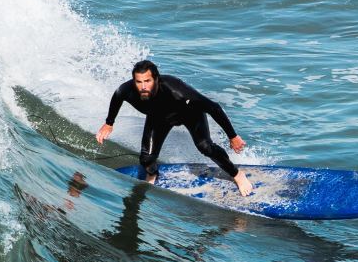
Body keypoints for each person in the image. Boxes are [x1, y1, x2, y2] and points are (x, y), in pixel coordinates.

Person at [96, 60, 253, 196]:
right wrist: (109, 123)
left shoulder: (177, 91)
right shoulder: (127, 90)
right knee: (146, 159)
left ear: (156, 79)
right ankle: (152, 174)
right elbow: (117, 96)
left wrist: (232, 136)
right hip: (158, 118)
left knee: (205, 147)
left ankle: (237, 174)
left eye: (147, 81)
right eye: (138, 82)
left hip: (190, 114)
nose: (143, 86)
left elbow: (214, 108)